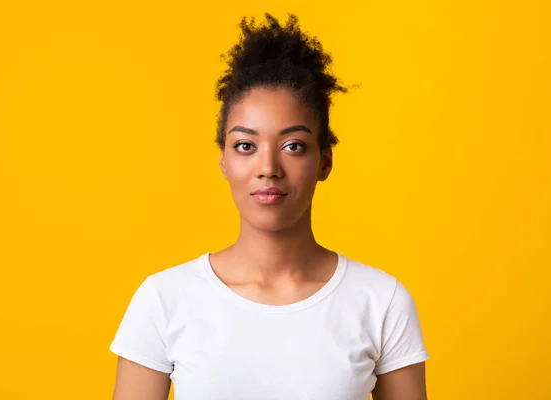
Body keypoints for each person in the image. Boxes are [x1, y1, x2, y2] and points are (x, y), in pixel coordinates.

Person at [109, 12, 429, 400]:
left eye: (293, 146)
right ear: (223, 160)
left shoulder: (381, 301)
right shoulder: (163, 299)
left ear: (325, 161)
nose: (268, 168)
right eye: (246, 145)